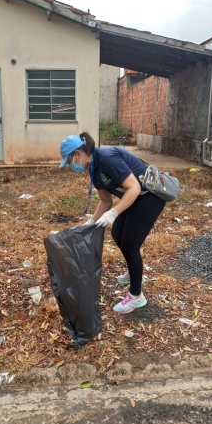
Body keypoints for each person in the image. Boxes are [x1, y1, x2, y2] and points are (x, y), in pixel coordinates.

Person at [59, 132, 165, 314]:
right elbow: (105, 200)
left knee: (130, 245)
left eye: (69, 162)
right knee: (117, 234)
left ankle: (136, 296)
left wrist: (114, 213)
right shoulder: (93, 168)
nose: (71, 166)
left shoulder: (106, 158)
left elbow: (134, 187)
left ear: (77, 154)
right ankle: (134, 272)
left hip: (149, 197)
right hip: (134, 198)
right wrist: (91, 222)